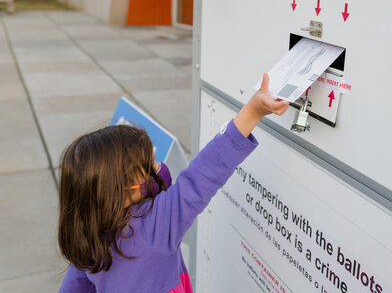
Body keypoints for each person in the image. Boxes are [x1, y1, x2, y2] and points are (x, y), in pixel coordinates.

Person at [57, 73, 288, 293]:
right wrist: (253, 111)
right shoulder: (157, 223)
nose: (157, 166)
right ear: (122, 192)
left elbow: (72, 288)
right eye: (148, 166)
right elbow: (202, 175)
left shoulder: (88, 232)